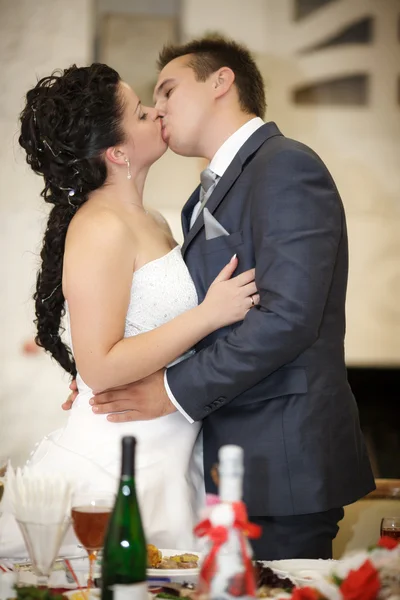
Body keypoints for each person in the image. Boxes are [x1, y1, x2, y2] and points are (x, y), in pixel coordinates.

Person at [72, 37, 376, 560]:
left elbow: (287, 318)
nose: (159, 107)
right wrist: (97, 375)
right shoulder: (200, 200)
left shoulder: (285, 165)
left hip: (281, 461)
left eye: (168, 89)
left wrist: (168, 391)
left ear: (221, 81)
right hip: (215, 461)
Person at [0, 62, 259, 557]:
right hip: (120, 451)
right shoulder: (100, 225)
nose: (157, 111)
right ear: (118, 152)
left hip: (171, 443)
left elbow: (135, 331)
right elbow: (99, 366)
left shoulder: (153, 218)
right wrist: (208, 313)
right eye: (142, 112)